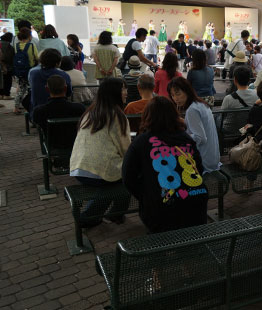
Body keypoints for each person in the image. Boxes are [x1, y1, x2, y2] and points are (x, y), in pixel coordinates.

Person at [122, 96, 208, 233]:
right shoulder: (186, 138)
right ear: (174, 114)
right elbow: (199, 168)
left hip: (161, 210)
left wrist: (147, 194)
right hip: (197, 204)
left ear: (147, 116)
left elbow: (127, 177)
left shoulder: (141, 142)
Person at [70, 78, 131, 227]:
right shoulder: (117, 115)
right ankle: (103, 216)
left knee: (115, 182)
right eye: (123, 89)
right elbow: (126, 149)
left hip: (78, 168)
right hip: (100, 171)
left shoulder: (90, 112)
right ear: (114, 93)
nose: (126, 92)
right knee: (129, 179)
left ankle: (110, 215)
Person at [168, 78, 221, 173]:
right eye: (172, 95)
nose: (175, 98)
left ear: (187, 91)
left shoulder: (192, 109)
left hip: (203, 161)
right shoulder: (200, 103)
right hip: (213, 158)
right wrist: (183, 121)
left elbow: (200, 138)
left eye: (178, 93)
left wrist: (181, 135)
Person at [29, 49, 72, 118]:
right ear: (57, 63)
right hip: (60, 112)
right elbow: (69, 92)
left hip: (37, 113)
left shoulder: (34, 73)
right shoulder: (64, 75)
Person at [13, 28, 39, 114]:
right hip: (29, 71)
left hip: (19, 71)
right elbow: (37, 57)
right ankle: (30, 106)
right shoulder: (31, 45)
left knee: (21, 90)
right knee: (30, 90)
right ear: (29, 36)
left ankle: (16, 108)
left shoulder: (16, 46)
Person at [0, 32, 14, 100]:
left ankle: (1, 94)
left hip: (1, 66)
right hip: (7, 66)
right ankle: (6, 94)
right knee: (8, 80)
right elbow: (9, 57)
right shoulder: (9, 46)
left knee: (1, 81)